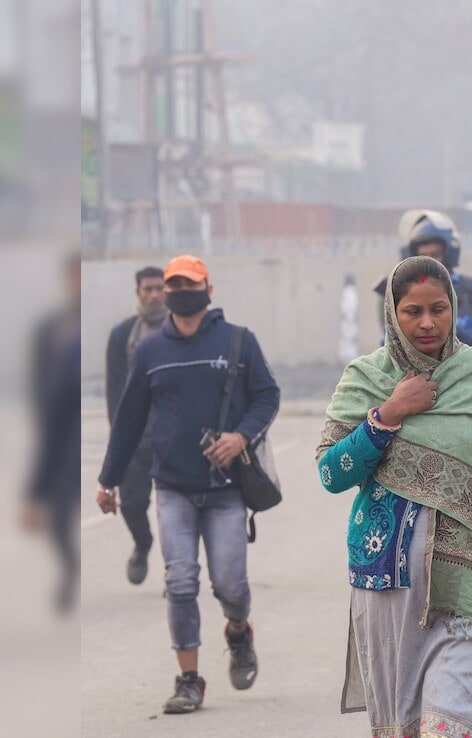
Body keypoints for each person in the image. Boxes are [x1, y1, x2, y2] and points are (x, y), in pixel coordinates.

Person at [317, 256, 472, 738]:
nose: (428, 323)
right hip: (390, 591)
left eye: (439, 308)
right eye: (413, 311)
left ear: (454, 308)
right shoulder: (366, 378)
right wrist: (387, 414)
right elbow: (331, 473)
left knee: (447, 728)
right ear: (393, 314)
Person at [96, 255, 280, 714]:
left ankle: (239, 632)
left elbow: (267, 395)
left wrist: (240, 436)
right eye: (173, 284)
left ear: (208, 289)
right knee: (180, 581)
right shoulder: (150, 352)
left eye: (187, 283)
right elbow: (129, 418)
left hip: (226, 491)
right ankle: (189, 680)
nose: (178, 291)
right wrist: (108, 480)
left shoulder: (238, 341)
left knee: (230, 585)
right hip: (173, 487)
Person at [24, 253, 82, 613]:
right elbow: (40, 385)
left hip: (83, 433)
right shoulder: (50, 329)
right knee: (58, 518)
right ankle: (69, 569)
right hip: (59, 434)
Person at [104, 265, 167, 584]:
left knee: (176, 509)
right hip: (136, 438)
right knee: (131, 504)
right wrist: (119, 441)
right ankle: (142, 545)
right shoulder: (122, 335)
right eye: (148, 289)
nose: (155, 295)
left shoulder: (183, 329)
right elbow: (115, 392)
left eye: (160, 288)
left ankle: (178, 574)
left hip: (174, 436)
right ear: (138, 293)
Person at [374, 210, 472, 347]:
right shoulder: (404, 291)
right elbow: (386, 340)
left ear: (448, 254)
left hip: (466, 365)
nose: (430, 261)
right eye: (423, 256)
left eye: (435, 255)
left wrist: (450, 323)